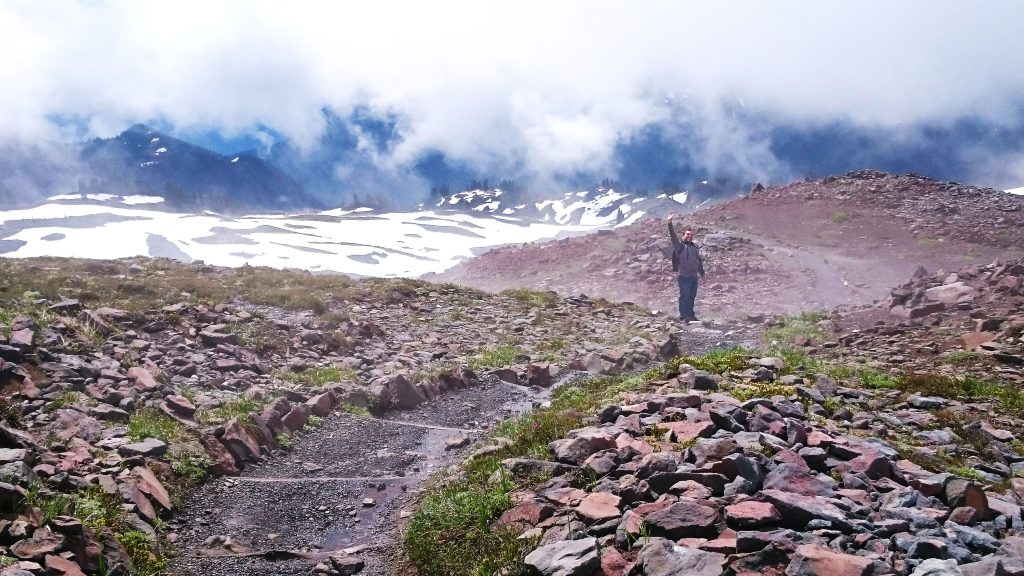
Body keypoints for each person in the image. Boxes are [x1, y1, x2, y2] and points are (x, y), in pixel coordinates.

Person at [667, 213, 705, 322]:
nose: (689, 236)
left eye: (691, 235)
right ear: (683, 235)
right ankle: (683, 316)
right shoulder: (679, 246)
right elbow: (672, 236)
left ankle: (691, 315)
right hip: (683, 275)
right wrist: (669, 223)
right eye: (687, 234)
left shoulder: (695, 247)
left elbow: (698, 261)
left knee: (692, 296)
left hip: (694, 276)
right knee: (684, 295)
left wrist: (702, 273)